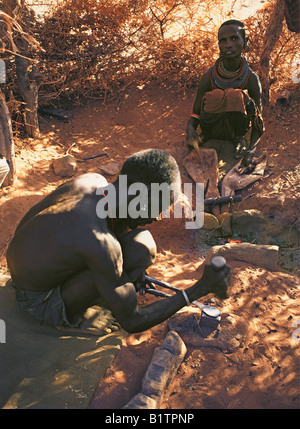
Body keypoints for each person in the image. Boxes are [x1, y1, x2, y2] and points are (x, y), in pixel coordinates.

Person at [6, 149, 231, 333]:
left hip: (26, 267)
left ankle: (109, 284)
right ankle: (72, 316)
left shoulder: (94, 182)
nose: (158, 217)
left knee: (140, 245)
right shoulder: (98, 241)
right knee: (139, 251)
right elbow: (133, 321)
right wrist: (199, 289)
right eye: (158, 208)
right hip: (37, 300)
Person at [186, 19, 264, 167]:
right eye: (223, 40)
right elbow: (195, 113)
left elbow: (258, 123)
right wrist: (190, 129)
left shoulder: (251, 79)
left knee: (235, 95)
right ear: (219, 45)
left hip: (237, 130)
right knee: (215, 96)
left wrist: (250, 152)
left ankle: (238, 138)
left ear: (245, 42)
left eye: (234, 38)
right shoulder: (209, 76)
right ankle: (208, 136)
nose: (228, 45)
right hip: (210, 129)